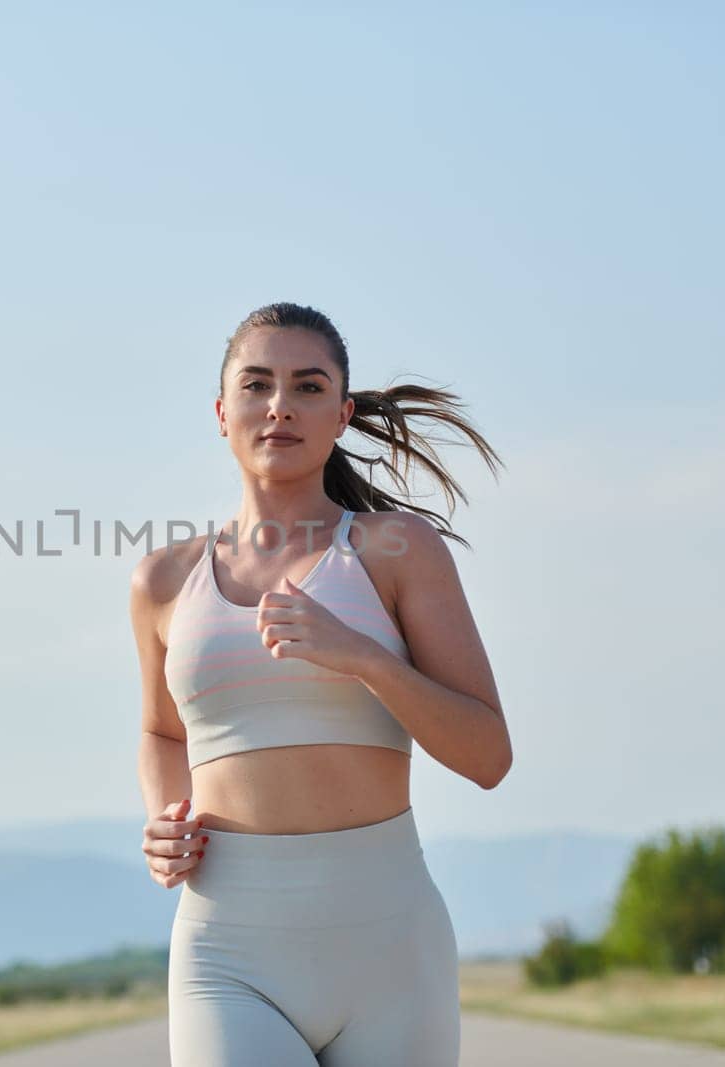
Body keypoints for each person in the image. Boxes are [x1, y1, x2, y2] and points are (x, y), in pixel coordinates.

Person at [128, 301, 512, 1065]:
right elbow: (163, 731)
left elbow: (487, 755)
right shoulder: (163, 579)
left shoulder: (397, 549)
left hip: (389, 944)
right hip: (227, 944)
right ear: (221, 411)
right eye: (257, 384)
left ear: (340, 414)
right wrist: (163, 819)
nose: (279, 406)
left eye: (307, 387)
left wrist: (364, 657)